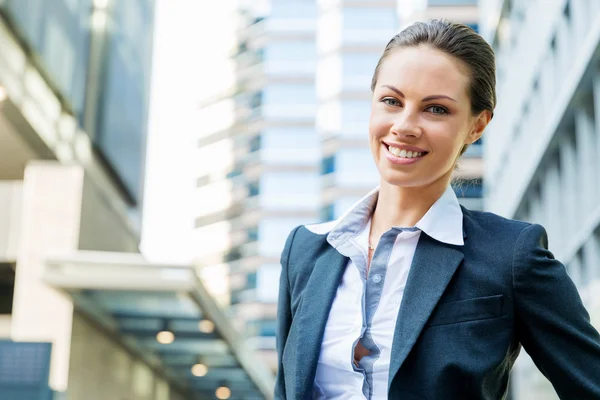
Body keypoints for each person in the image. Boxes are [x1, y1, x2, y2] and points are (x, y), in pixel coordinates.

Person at [274, 19, 600, 400]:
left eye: (435, 109)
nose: (404, 126)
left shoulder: (512, 255)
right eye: (391, 101)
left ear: (477, 125)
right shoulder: (305, 250)